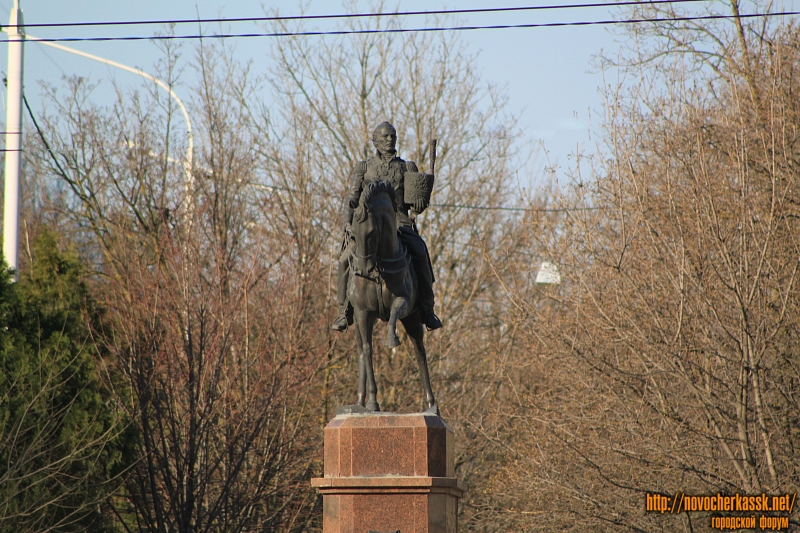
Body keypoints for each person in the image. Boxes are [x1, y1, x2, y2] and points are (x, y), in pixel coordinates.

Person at [331, 121, 443, 332]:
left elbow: (414, 206)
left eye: (392, 136)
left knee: (420, 252)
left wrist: (420, 202)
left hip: (399, 224)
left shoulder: (407, 167)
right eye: (385, 137)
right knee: (345, 259)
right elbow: (351, 200)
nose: (389, 140)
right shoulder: (364, 168)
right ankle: (344, 311)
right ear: (375, 141)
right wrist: (347, 224)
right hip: (369, 227)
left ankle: (427, 309)